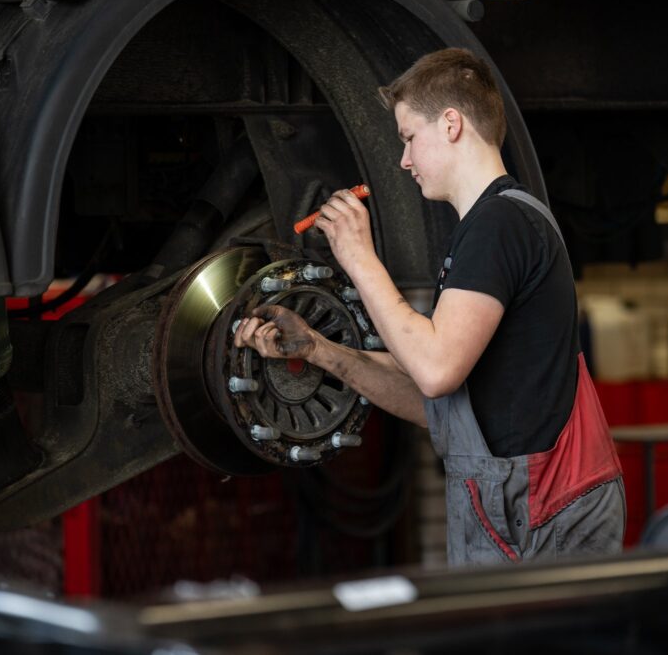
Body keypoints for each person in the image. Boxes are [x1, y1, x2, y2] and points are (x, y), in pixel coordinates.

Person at [234, 48, 625, 566]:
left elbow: (436, 370)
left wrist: (358, 257)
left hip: (543, 512)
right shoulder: (490, 227)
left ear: (451, 123)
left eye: (408, 138)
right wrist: (321, 350)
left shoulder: (499, 225)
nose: (404, 160)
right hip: (522, 509)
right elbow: (439, 403)